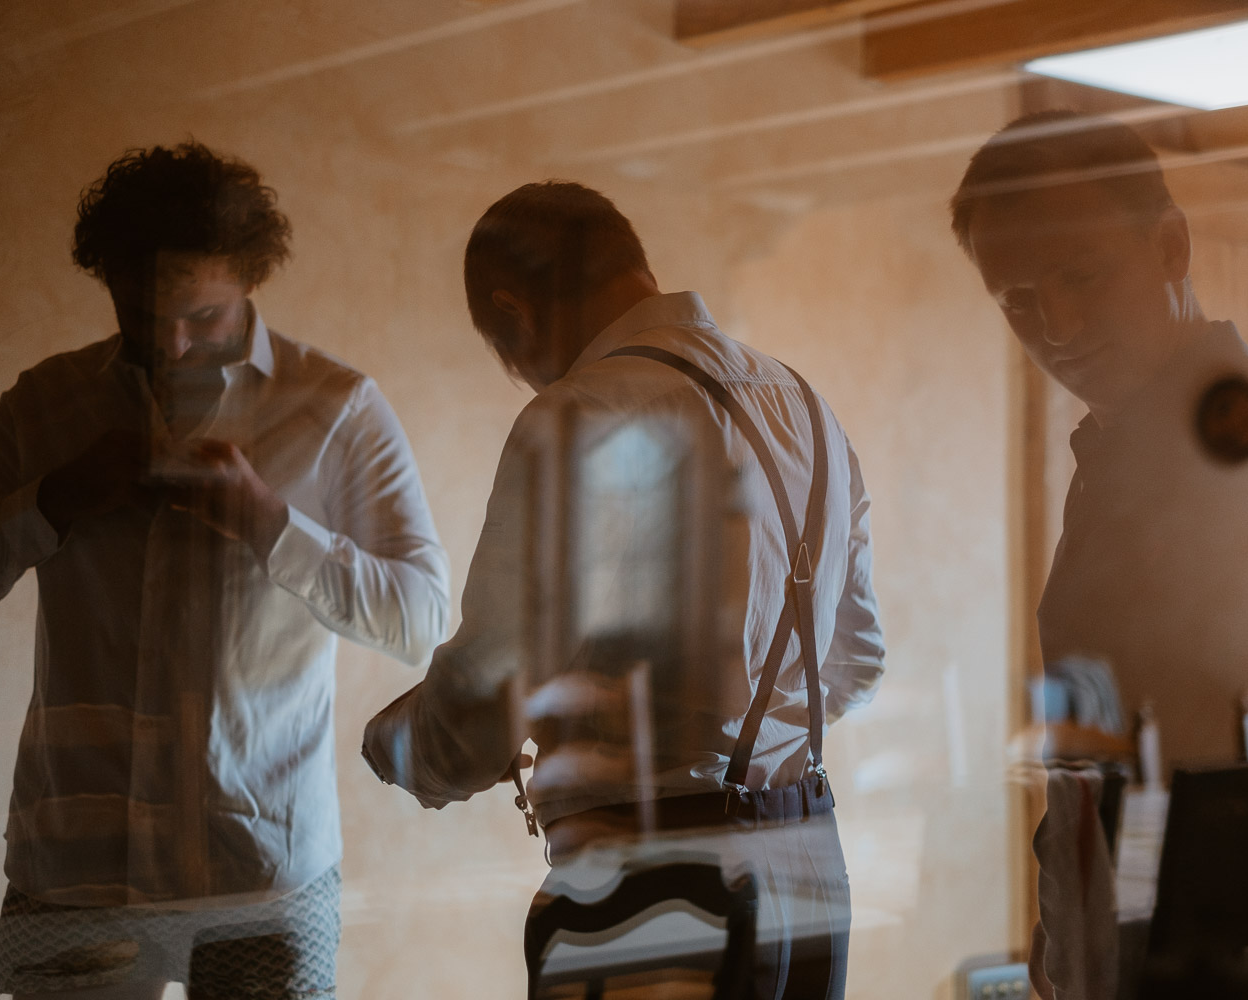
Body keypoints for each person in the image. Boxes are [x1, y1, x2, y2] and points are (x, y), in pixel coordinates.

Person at [0, 141, 450, 999]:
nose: (170, 346)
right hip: (75, 871)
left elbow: (420, 618)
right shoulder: (46, 405)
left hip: (263, 874)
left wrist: (269, 523)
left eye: (202, 318)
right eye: (142, 316)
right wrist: (52, 499)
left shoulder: (336, 409)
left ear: (249, 281)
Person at [950, 110, 1248, 998]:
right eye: (1018, 301)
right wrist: (1059, 928)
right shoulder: (1103, 470)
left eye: (1082, 274)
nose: (1055, 325)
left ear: (1171, 246)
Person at [361, 181, 884, 999]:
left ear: (514, 311)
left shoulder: (578, 411)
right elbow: (856, 660)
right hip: (809, 869)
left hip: (648, 882)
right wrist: (746, 738)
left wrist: (398, 748)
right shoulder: (809, 407)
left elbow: (485, 696)